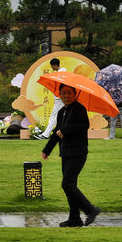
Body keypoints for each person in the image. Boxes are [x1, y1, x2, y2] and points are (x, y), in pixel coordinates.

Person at [41, 84, 101, 227]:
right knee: (70, 186)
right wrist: (47, 149)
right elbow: (57, 132)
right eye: (63, 93)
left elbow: (83, 125)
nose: (66, 96)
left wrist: (65, 130)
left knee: (67, 184)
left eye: (69, 93)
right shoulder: (62, 111)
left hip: (78, 152)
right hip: (66, 153)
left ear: (75, 94)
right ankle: (74, 218)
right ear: (59, 95)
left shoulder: (79, 109)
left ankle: (90, 210)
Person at [40, 57, 67, 139]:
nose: (51, 67)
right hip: (61, 97)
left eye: (52, 66)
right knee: (62, 116)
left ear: (54, 65)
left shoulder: (60, 74)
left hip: (60, 98)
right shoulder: (63, 72)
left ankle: (46, 134)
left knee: (54, 116)